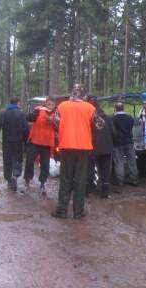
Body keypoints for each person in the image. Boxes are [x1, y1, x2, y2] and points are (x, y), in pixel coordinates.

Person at [51, 84, 102, 219]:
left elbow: (55, 122)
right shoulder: (90, 108)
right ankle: (78, 212)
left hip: (66, 146)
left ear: (72, 93)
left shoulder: (62, 106)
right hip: (83, 148)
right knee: (80, 180)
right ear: (84, 95)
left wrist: (64, 128)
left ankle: (61, 210)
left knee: (65, 179)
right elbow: (100, 124)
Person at [0, 97, 29, 192]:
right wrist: (25, 142)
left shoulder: (4, 113)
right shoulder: (21, 114)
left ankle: (9, 179)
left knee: (7, 160)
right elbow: (25, 129)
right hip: (18, 142)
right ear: (18, 103)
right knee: (17, 160)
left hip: (6, 142)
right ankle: (15, 177)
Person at [23, 97, 56, 195]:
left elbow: (59, 127)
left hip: (46, 144)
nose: (50, 106)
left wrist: (52, 121)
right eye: (48, 104)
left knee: (45, 165)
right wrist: (30, 114)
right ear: (45, 104)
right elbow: (29, 118)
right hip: (35, 142)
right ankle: (27, 180)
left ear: (54, 106)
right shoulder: (38, 111)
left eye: (52, 105)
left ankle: (42, 183)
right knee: (29, 161)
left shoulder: (56, 114)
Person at [89, 97, 114, 198]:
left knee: (90, 169)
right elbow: (114, 132)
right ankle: (105, 193)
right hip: (106, 149)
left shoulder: (89, 120)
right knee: (105, 170)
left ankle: (89, 190)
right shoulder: (107, 118)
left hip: (93, 148)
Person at [111, 102, 138, 186]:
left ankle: (120, 181)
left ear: (115, 108)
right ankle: (134, 179)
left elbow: (112, 131)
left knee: (119, 162)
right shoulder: (130, 118)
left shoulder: (113, 118)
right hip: (129, 141)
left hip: (117, 143)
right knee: (132, 161)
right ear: (124, 108)